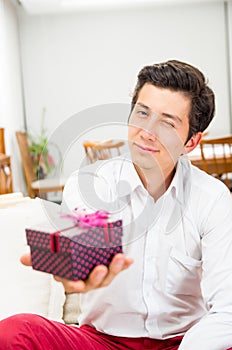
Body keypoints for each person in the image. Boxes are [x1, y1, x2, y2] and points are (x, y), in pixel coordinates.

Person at [1, 59, 232, 350]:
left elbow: (227, 309)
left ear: (191, 142)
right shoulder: (91, 184)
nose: (147, 132)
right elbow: (81, 244)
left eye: (167, 122)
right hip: (101, 341)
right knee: (14, 332)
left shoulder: (212, 198)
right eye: (142, 113)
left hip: (185, 342)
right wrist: (71, 267)